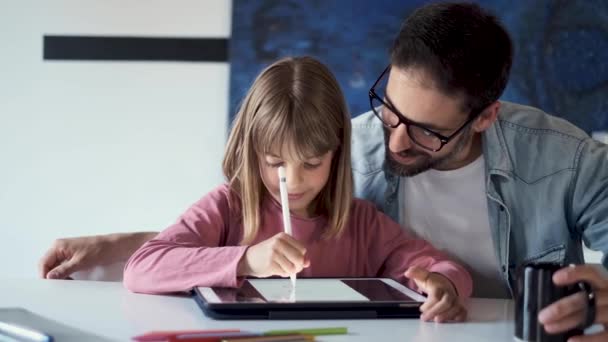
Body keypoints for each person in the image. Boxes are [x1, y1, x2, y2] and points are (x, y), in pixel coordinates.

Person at [39, 1, 608, 336]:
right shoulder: (352, 144)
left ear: (484, 117)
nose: (395, 138)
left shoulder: (568, 160)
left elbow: (417, 259)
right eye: (389, 108)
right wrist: (127, 243)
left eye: (428, 130)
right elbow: (248, 223)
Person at [122, 56, 472, 322]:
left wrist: (444, 284)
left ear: (336, 153)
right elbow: (142, 267)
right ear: (251, 150)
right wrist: (246, 260)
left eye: (312, 162)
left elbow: (438, 267)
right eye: (275, 162)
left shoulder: (362, 224)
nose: (293, 180)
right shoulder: (228, 208)